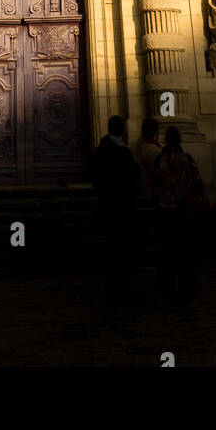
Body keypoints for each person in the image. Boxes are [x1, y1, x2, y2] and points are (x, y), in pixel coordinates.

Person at [152, 126, 205, 306]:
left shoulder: (161, 159)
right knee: (186, 250)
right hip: (184, 212)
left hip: (167, 212)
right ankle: (187, 283)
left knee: (167, 249)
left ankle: (167, 284)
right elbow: (198, 183)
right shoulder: (187, 159)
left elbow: (156, 184)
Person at [90, 114, 140, 302]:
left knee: (111, 245)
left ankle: (112, 283)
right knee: (122, 244)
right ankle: (123, 284)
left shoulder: (102, 150)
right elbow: (134, 175)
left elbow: (94, 175)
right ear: (122, 131)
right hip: (122, 206)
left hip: (108, 204)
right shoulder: (124, 152)